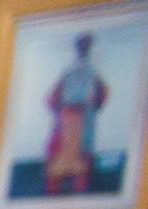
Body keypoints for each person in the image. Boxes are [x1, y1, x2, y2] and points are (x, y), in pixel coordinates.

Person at [45, 33, 109, 195]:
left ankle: (79, 187)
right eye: (80, 45)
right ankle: (54, 188)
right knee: (58, 152)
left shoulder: (93, 71)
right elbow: (53, 97)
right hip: (66, 120)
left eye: (86, 45)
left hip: (84, 121)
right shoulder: (67, 72)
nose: (83, 48)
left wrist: (90, 103)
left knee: (82, 154)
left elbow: (101, 93)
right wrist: (61, 108)